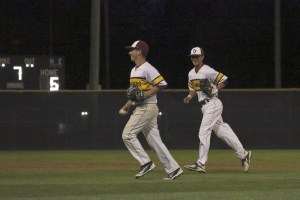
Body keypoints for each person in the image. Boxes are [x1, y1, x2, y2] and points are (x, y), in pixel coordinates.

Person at [119, 40, 183, 180]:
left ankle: (146, 162)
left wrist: (146, 94)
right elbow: (135, 93)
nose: (130, 52)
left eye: (132, 50)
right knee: (155, 141)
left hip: (147, 107)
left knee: (127, 135)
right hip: (142, 107)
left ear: (139, 52)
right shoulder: (133, 70)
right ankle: (174, 169)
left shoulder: (148, 68)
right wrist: (127, 105)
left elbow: (162, 84)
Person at [183, 47, 252, 173]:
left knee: (204, 131)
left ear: (202, 57)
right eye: (192, 57)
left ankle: (201, 163)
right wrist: (189, 96)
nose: (194, 58)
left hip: (213, 103)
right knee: (222, 131)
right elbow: (193, 89)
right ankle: (244, 154)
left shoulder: (207, 70)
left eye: (197, 56)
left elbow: (224, 79)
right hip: (205, 106)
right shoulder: (191, 73)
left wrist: (215, 90)